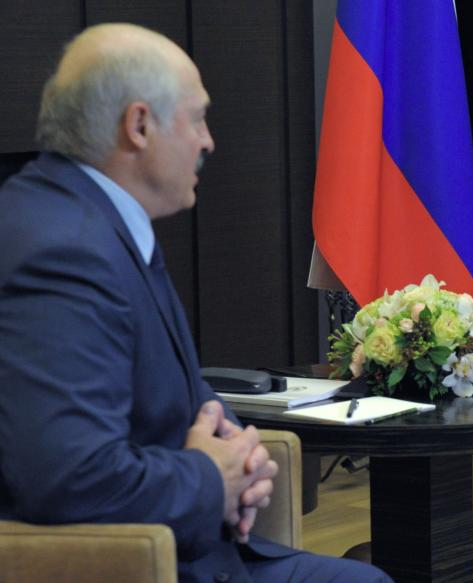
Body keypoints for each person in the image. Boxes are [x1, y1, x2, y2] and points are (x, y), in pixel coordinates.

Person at [0, 23, 391, 583]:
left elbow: (179, 394)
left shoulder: (91, 218)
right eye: (196, 118)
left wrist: (240, 455)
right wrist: (212, 478)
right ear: (138, 126)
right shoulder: (62, 250)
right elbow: (70, 478)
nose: (208, 141)